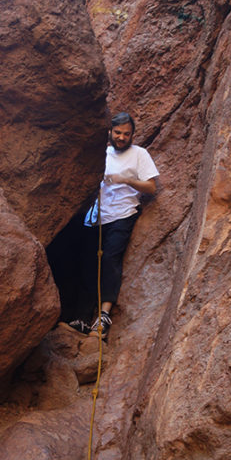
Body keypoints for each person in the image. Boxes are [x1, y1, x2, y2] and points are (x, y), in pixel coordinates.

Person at [65, 112, 159, 341]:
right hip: (96, 216)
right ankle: (82, 317)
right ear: (109, 132)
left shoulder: (139, 154)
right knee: (88, 263)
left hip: (123, 214)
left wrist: (126, 180)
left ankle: (104, 315)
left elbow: (151, 187)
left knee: (109, 260)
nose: (121, 137)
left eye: (126, 134)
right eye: (117, 133)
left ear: (132, 135)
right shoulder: (101, 154)